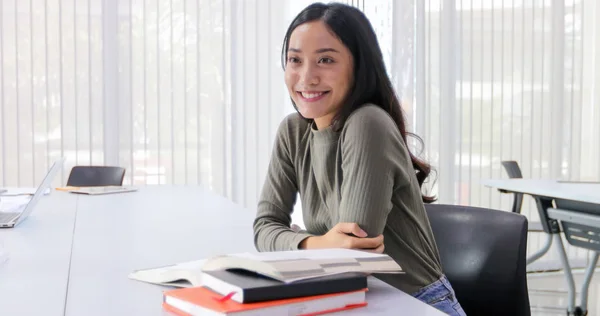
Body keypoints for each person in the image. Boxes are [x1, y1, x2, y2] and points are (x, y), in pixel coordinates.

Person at [252, 2, 465, 315]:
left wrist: (296, 239)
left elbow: (352, 257)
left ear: (358, 66)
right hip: (352, 300)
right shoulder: (293, 131)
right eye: (295, 60)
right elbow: (263, 230)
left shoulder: (368, 123)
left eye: (325, 60)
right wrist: (320, 243)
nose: (306, 76)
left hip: (416, 304)